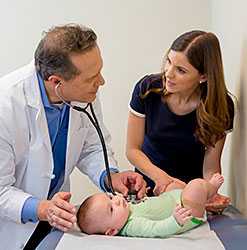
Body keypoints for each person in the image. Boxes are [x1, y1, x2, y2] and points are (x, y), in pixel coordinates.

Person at [0, 24, 146, 250]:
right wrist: (43, 208)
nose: (101, 82)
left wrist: (110, 176)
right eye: (92, 78)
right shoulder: (6, 106)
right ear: (56, 82)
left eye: (99, 72)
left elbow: (91, 146)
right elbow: (1, 191)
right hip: (11, 229)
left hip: (55, 222)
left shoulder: (82, 93)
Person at [126, 30, 234, 205]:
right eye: (169, 61)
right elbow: (132, 150)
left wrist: (209, 193)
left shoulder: (220, 106)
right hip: (146, 188)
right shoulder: (147, 89)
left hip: (189, 194)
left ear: (204, 76)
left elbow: (211, 166)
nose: (168, 73)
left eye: (181, 70)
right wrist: (164, 180)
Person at [77, 173, 224, 238]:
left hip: (176, 199)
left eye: (110, 197)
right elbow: (156, 229)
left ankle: (203, 199)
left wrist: (145, 198)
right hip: (187, 215)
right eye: (111, 208)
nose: (116, 200)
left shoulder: (126, 211)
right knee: (195, 186)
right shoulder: (132, 226)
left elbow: (149, 209)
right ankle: (211, 189)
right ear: (112, 232)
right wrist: (175, 221)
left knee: (171, 185)